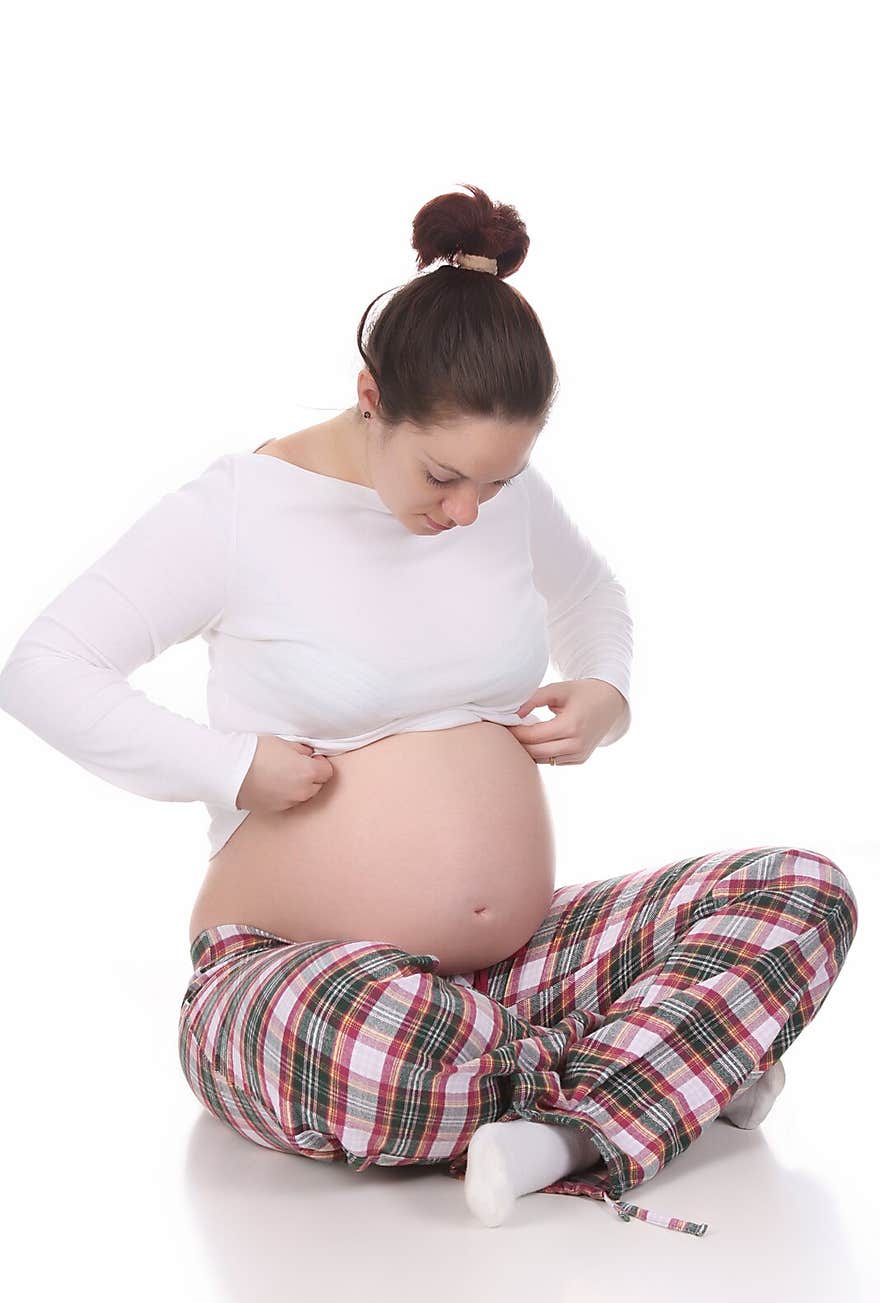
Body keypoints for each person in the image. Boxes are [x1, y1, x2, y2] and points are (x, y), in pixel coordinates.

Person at [0, 184, 858, 1238]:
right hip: (297, 975)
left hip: (517, 965)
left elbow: (591, 600)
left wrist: (603, 694)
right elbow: (44, 666)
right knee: (366, 1040)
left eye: (497, 485)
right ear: (370, 395)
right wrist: (230, 768)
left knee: (799, 892)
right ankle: (664, 1069)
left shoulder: (499, 496)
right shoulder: (237, 511)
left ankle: (569, 1118)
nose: (466, 514)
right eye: (444, 476)